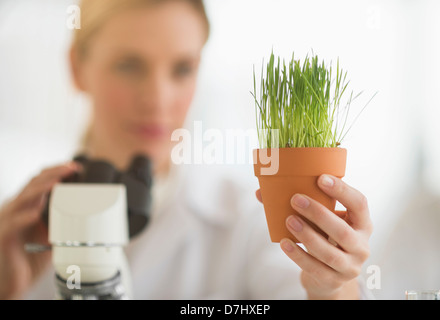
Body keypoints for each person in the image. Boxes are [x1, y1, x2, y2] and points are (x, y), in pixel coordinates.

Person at [0, 0, 372, 300]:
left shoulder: (248, 219)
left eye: (181, 69)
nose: (158, 99)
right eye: (130, 66)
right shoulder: (17, 232)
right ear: (77, 68)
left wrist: (331, 287)